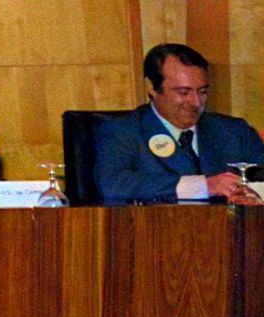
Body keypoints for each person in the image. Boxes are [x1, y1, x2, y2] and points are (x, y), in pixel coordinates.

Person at [95, 43, 263, 204]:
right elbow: (111, 183)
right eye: (184, 92)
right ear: (152, 87)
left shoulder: (234, 130)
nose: (196, 102)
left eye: (203, 91)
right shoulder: (123, 131)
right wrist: (202, 186)